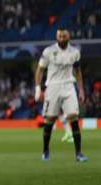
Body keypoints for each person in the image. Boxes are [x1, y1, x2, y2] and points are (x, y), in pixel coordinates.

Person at [36, 29, 88, 162]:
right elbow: (40, 70)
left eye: (64, 36)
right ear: (56, 37)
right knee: (50, 119)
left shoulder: (75, 52)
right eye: (59, 36)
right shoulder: (48, 51)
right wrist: (38, 88)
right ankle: (45, 151)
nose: (61, 38)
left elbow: (78, 71)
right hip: (52, 87)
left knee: (74, 118)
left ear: (68, 36)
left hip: (69, 86)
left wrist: (81, 90)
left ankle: (78, 154)